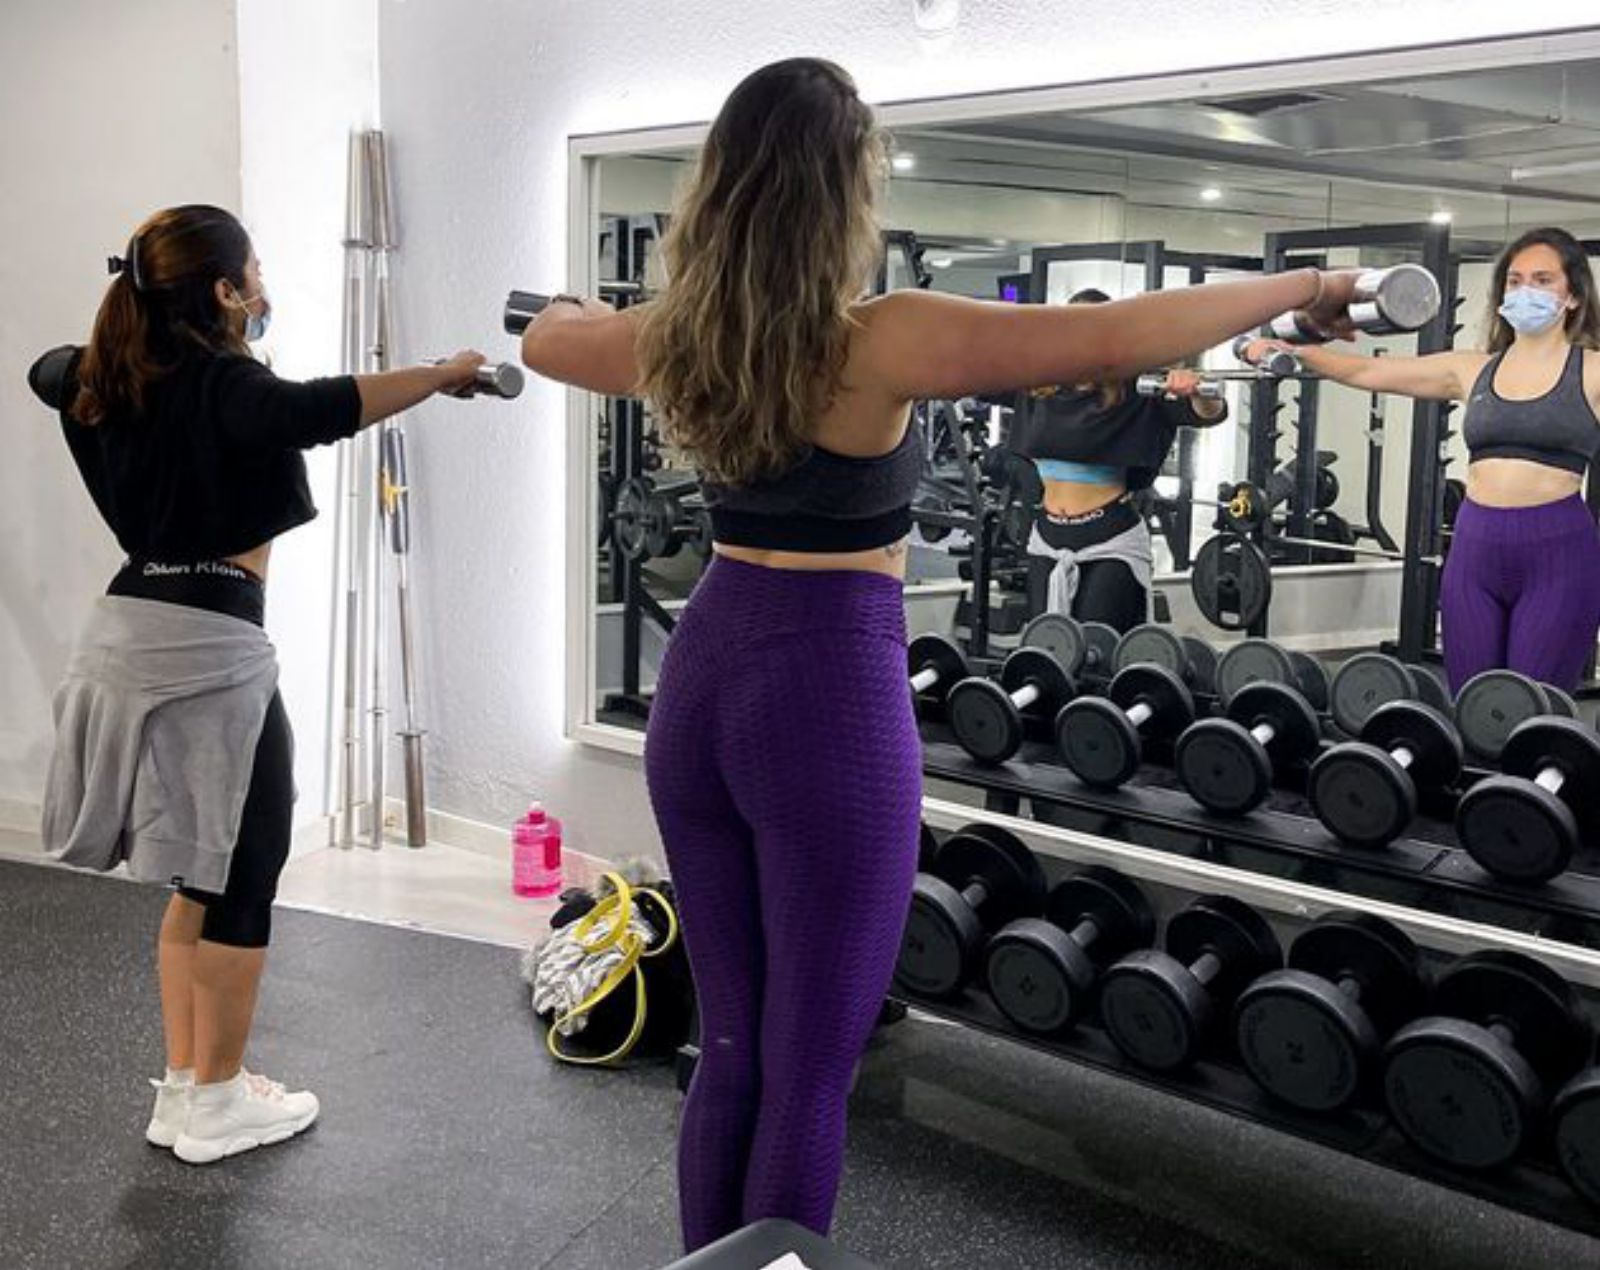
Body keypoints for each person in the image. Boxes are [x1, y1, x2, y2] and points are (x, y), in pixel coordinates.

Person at [519, 57, 1372, 1252]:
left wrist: (556, 312)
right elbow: (1117, 331)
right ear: (844, 193)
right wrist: (1313, 279)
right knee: (809, 1068)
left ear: (721, 192)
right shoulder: (883, 338)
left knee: (735, 1043)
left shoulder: (673, 337)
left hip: (703, 679)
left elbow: (556, 344)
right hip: (821, 685)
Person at [28, 204, 485, 1165]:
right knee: (246, 866)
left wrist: (112, 346)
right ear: (225, 290)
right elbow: (317, 407)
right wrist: (443, 375)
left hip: (124, 630)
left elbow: (47, 367)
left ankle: (188, 1090)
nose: (263, 289)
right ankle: (223, 1100)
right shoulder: (223, 383)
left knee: (205, 867)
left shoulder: (101, 380)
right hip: (206, 644)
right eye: (255, 273)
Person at [1245, 226, 1600, 693]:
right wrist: (1291, 351)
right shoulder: (1471, 367)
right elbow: (1370, 369)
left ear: (1572, 296)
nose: (1525, 290)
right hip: (1475, 545)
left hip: (1557, 550)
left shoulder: (1592, 370)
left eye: (1542, 280)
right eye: (1514, 281)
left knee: (1532, 706)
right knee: (1470, 702)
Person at [1012, 287, 1228, 631]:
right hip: (1047, 537)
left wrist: (1197, 389)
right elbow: (968, 374)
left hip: (1110, 540)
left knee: (1097, 652)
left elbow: (1209, 413)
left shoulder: (1138, 389)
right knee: (1046, 652)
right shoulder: (1040, 386)